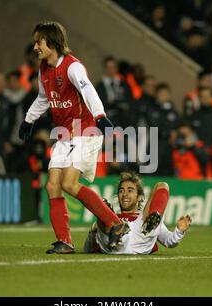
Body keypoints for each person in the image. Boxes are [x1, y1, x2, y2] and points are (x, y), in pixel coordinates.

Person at [18, 21, 129, 254]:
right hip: (63, 134)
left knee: (68, 183)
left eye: (39, 40)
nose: (35, 45)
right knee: (51, 186)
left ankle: (115, 223)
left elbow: (88, 89)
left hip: (85, 130)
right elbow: (42, 98)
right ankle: (65, 242)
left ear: (52, 42)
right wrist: (29, 120)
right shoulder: (44, 68)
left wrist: (100, 117)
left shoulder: (72, 66)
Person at [83, 172, 192, 255]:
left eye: (130, 190)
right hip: (113, 241)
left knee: (162, 185)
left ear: (139, 197)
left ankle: (155, 213)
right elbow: (88, 250)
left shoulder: (146, 219)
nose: (124, 194)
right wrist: (93, 232)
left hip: (140, 234)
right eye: (121, 191)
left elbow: (169, 241)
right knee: (103, 211)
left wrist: (179, 231)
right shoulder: (110, 217)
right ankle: (115, 232)